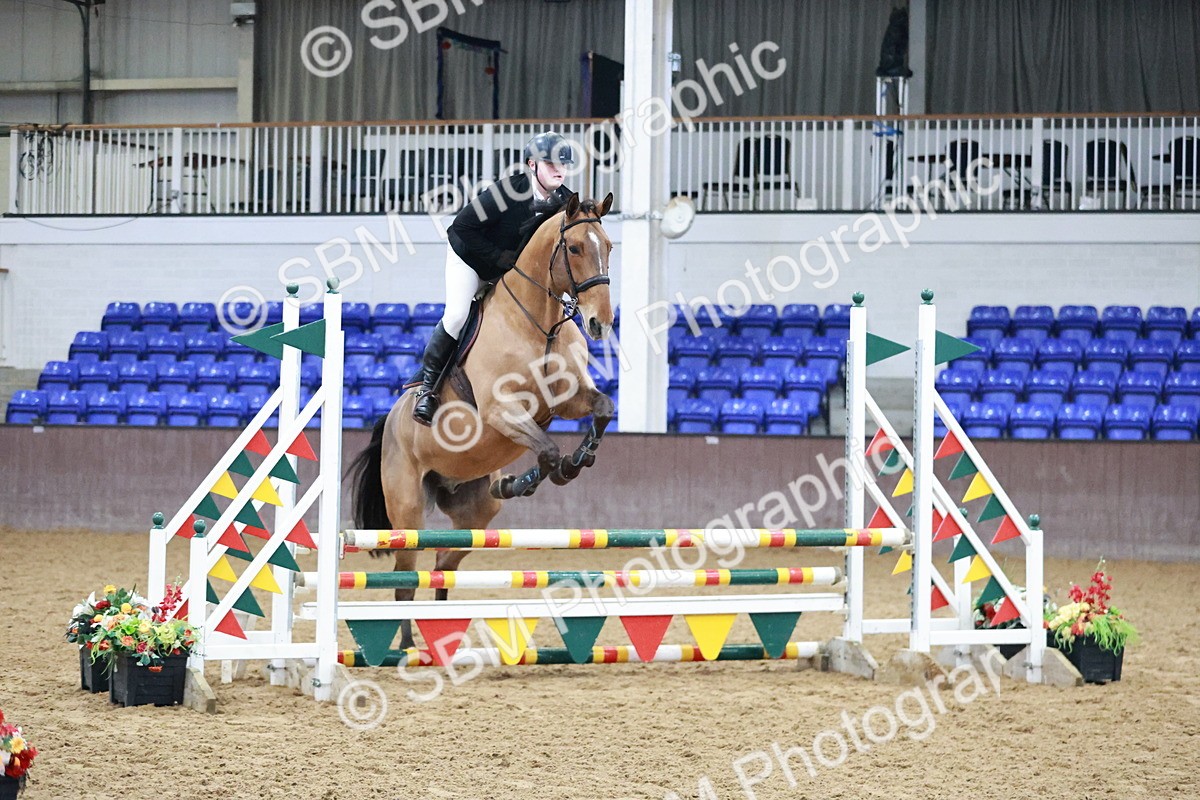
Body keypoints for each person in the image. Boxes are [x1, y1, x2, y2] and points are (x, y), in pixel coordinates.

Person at [411, 130, 577, 426]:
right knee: (457, 316)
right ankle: (427, 389)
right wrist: (500, 260)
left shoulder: (565, 203)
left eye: (563, 165)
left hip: (512, 272)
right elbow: (460, 228)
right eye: (551, 164)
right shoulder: (506, 193)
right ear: (532, 165)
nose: (559, 170)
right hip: (471, 260)